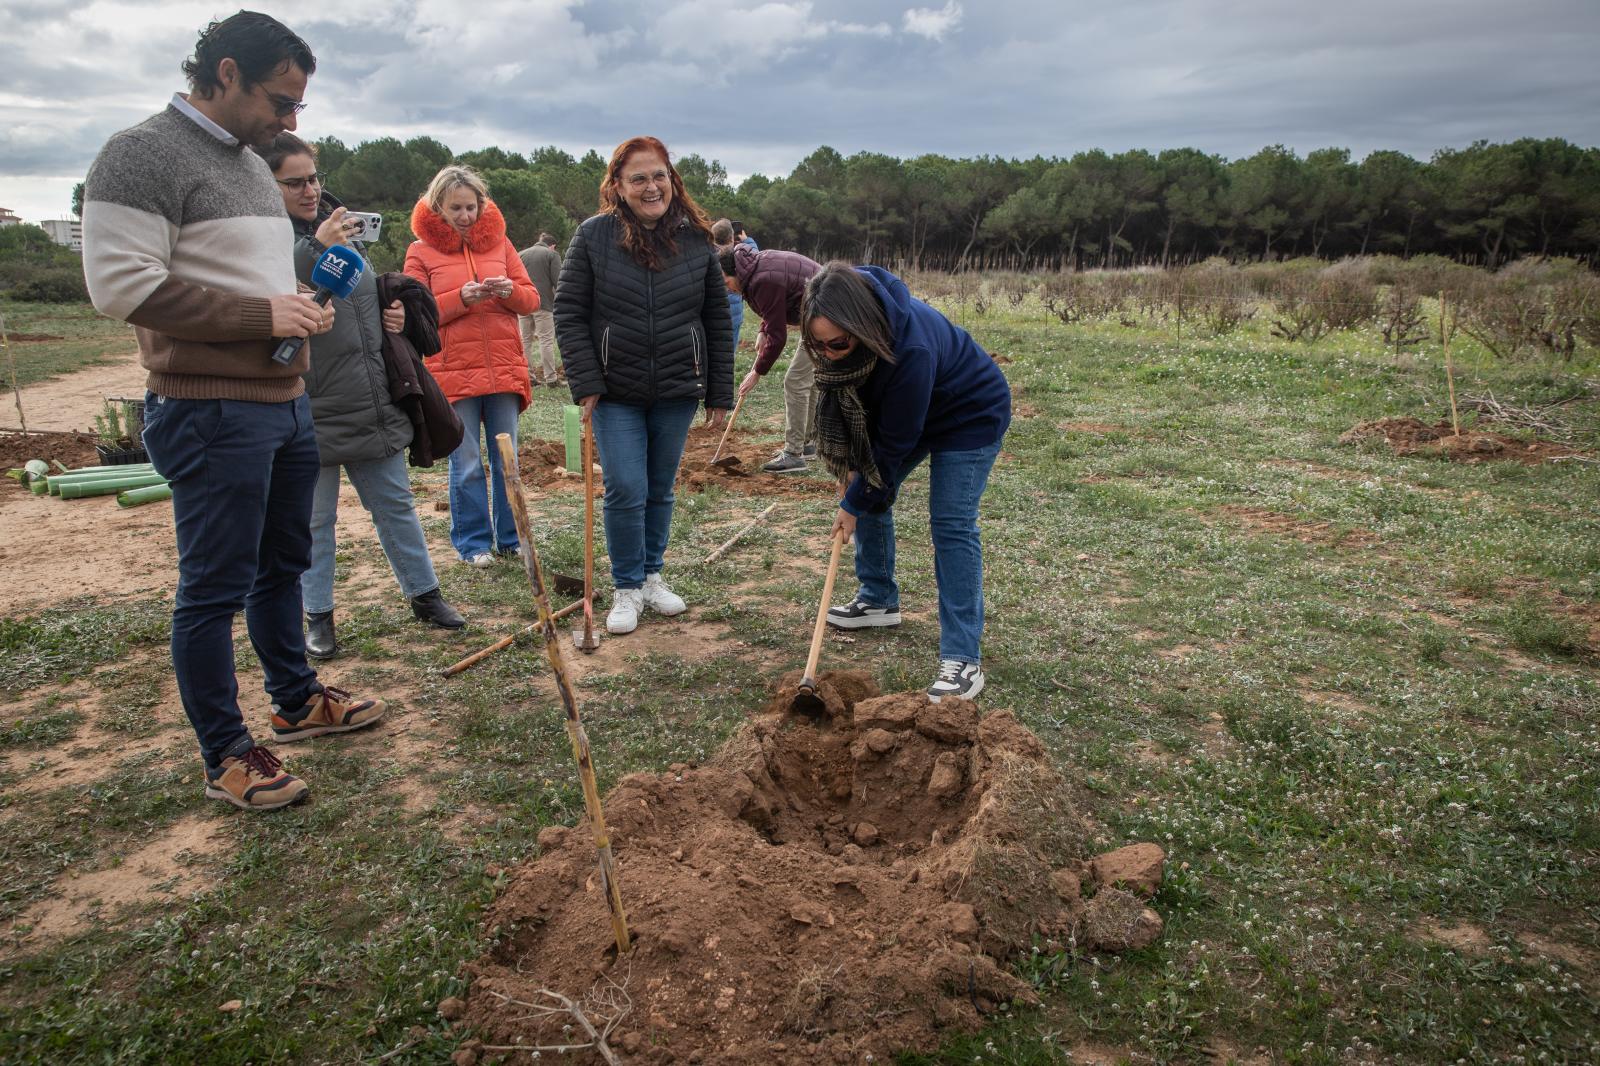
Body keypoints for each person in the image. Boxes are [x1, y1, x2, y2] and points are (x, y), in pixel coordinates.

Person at [80, 12, 386, 812]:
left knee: (281, 564)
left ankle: (295, 700)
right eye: (280, 101)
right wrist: (263, 319)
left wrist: (300, 307)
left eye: (298, 109)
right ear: (223, 74)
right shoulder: (140, 153)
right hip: (208, 408)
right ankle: (223, 753)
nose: (288, 121)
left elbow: (255, 282)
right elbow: (118, 284)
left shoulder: (251, 167)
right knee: (213, 588)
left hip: (284, 403)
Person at [254, 132, 466, 659]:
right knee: (314, 521)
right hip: (306, 404)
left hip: (367, 400)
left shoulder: (339, 234)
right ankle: (318, 616)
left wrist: (389, 312)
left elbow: (354, 297)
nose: (310, 189)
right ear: (266, 182)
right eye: (295, 181)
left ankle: (425, 596)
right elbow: (281, 292)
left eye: (314, 178)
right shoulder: (261, 238)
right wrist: (320, 246)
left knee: (395, 506)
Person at [803, 262, 1011, 702]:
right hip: (911, 410)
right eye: (817, 346)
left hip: (968, 411)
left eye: (838, 344)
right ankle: (878, 599)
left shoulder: (909, 348)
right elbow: (869, 430)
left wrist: (854, 501)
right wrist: (855, 472)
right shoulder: (840, 339)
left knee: (951, 524)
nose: (828, 355)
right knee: (871, 487)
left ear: (862, 326)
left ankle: (963, 660)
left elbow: (893, 447)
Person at [556, 136, 733, 635]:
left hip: (678, 387)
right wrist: (587, 380)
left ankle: (653, 577)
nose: (651, 187)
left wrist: (719, 388)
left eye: (659, 176)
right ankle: (627, 587)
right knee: (626, 487)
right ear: (618, 185)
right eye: (639, 178)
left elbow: (717, 317)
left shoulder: (697, 239)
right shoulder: (593, 237)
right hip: (615, 391)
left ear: (671, 179)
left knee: (659, 488)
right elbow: (569, 314)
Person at [404, 166, 539, 567]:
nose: (465, 215)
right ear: (438, 208)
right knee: (464, 463)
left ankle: (511, 539)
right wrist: (460, 298)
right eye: (455, 208)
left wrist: (510, 291)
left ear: (482, 205)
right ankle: (473, 543)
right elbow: (416, 314)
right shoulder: (420, 252)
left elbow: (531, 300)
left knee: (506, 460)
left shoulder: (502, 244)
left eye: (471, 207)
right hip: (452, 372)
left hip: (503, 369)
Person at [720, 242, 821, 473]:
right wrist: (762, 330)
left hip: (825, 311)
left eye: (726, 282)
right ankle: (808, 443)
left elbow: (779, 337)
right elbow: (775, 305)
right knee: (808, 380)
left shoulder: (761, 279)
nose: (728, 288)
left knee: (795, 381)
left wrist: (757, 372)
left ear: (735, 273)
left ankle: (794, 454)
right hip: (818, 309)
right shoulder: (755, 268)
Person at [518, 232, 563, 387]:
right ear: (552, 245)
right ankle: (551, 378)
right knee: (546, 340)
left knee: (525, 341)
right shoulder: (552, 254)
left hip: (522, 303)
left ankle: (528, 378)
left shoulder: (520, 254)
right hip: (543, 304)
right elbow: (559, 281)